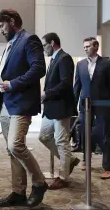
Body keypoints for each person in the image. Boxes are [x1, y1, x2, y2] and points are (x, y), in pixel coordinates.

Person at [0, 9, 48, 208]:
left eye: (1, 26)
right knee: (11, 151)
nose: (0, 30)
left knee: (16, 145)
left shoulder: (29, 39)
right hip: (6, 103)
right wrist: (0, 84)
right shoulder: (10, 44)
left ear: (12, 21)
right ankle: (18, 192)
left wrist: (12, 84)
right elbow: (8, 73)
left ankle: (39, 182)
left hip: (21, 102)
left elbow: (39, 68)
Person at [38, 32, 80, 189]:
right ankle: (70, 160)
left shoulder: (64, 58)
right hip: (51, 107)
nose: (43, 49)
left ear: (52, 42)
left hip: (62, 107)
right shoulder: (54, 59)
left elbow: (66, 83)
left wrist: (46, 94)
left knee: (62, 141)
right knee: (43, 136)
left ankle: (63, 177)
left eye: (44, 46)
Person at [73, 37, 110, 179]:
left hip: (102, 105)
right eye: (84, 46)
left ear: (96, 46)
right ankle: (86, 160)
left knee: (104, 134)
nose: (85, 48)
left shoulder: (107, 63)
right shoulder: (80, 65)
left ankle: (107, 167)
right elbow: (77, 87)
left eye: (88, 46)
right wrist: (71, 105)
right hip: (84, 105)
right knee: (85, 133)